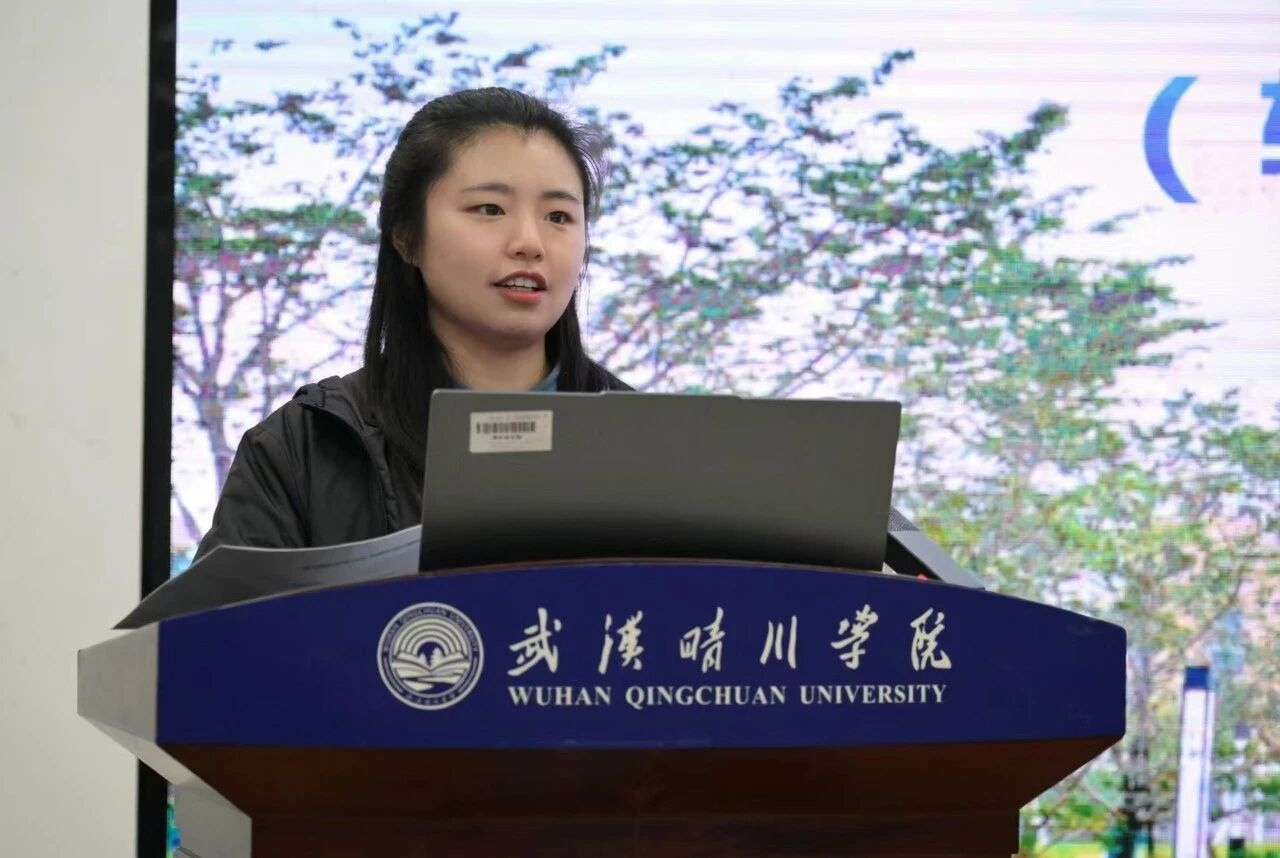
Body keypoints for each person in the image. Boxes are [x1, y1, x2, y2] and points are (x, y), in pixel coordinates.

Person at [193, 87, 630, 561]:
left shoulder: (650, 445)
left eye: (558, 216)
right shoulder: (305, 447)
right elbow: (223, 611)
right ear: (406, 237)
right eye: (490, 209)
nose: (530, 242)